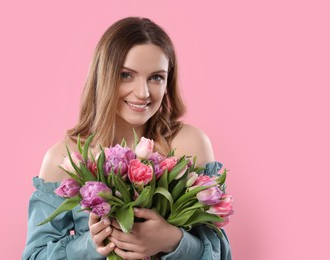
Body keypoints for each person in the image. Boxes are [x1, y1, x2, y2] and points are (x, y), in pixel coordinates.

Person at [22, 17, 232, 260]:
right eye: (126, 75)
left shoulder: (189, 144)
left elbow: (221, 253)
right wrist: (90, 246)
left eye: (156, 77)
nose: (143, 93)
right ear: (104, 76)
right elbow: (34, 256)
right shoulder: (65, 158)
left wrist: (172, 240)